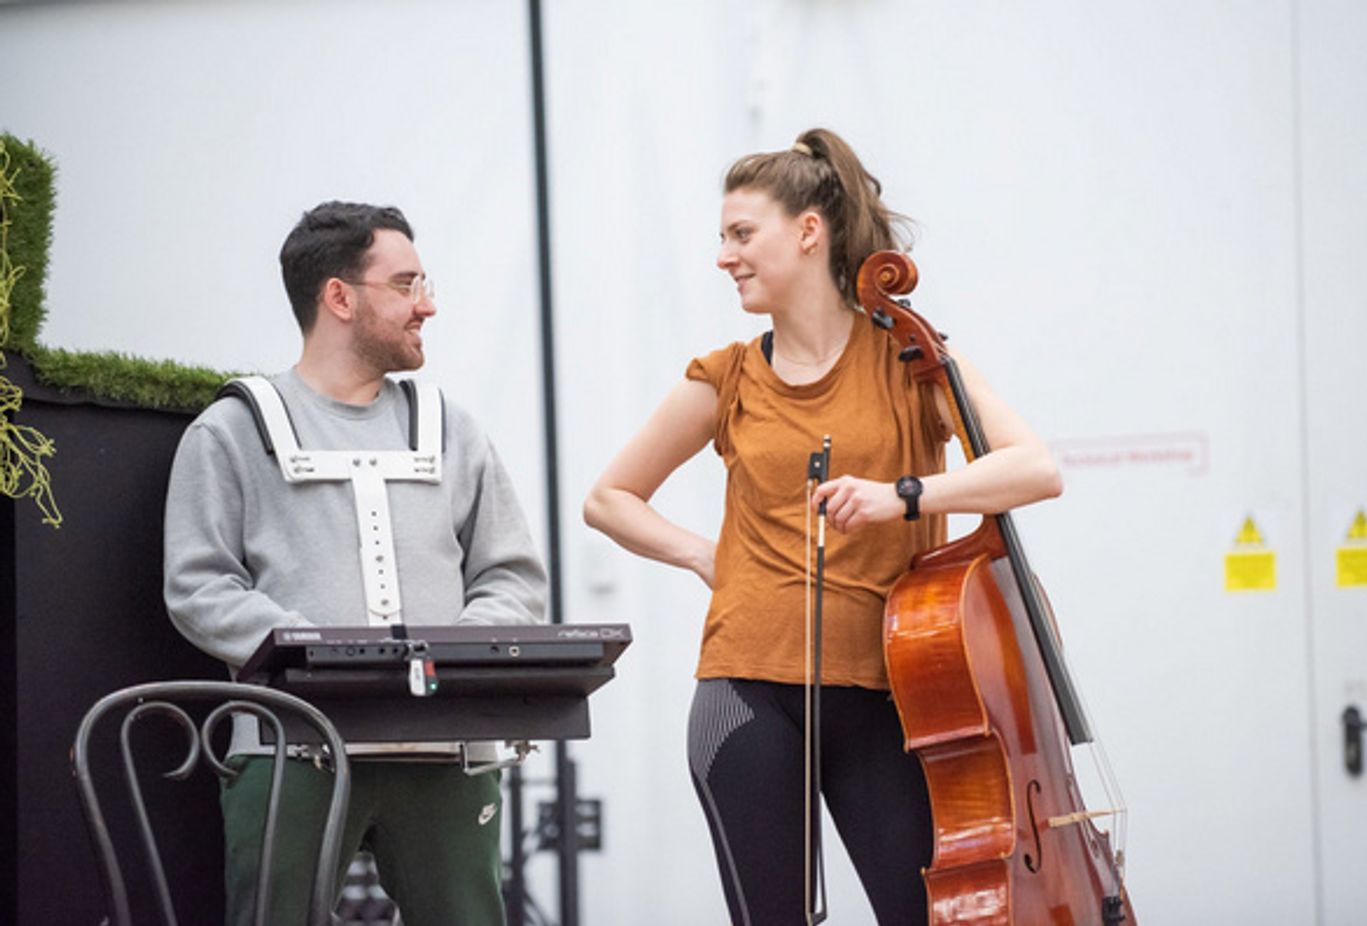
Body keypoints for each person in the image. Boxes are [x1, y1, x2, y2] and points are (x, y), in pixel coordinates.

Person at [583, 128, 1063, 924]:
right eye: (723, 238)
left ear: (808, 231)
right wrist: (704, 555)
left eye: (742, 234)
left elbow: (1034, 469)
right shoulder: (726, 376)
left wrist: (903, 496)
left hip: (891, 699)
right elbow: (609, 498)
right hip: (746, 693)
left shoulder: (913, 360)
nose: (724, 256)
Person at [164, 201, 547, 926]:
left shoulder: (452, 429)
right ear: (339, 297)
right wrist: (315, 655)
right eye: (405, 285)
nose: (426, 305)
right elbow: (199, 584)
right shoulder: (231, 430)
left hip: (448, 755)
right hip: (290, 752)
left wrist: (456, 658)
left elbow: (511, 578)